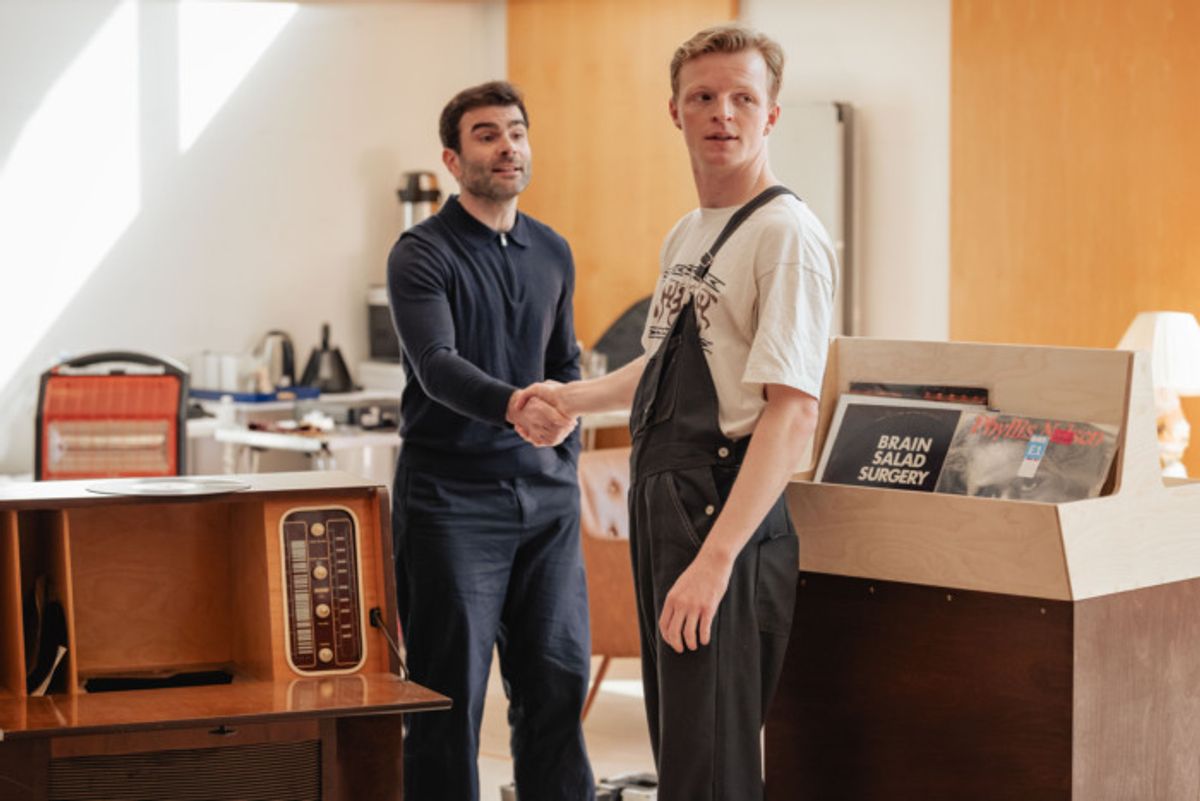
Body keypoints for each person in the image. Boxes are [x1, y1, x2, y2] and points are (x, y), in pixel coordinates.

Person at [514, 24, 837, 801]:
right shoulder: (687, 235)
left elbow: (789, 415)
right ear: (676, 112)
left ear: (771, 115)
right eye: (703, 96)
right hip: (666, 509)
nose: (722, 112)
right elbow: (666, 364)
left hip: (725, 514)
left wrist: (716, 560)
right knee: (684, 760)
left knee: (715, 768)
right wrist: (571, 401)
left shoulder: (785, 235)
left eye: (742, 98)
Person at [387, 80, 594, 801]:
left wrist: (560, 436)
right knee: (448, 702)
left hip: (546, 498)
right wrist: (514, 406)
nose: (508, 145)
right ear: (452, 158)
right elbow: (436, 366)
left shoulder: (553, 250)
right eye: (487, 134)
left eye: (517, 131)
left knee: (557, 690)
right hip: (451, 501)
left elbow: (565, 362)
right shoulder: (421, 253)